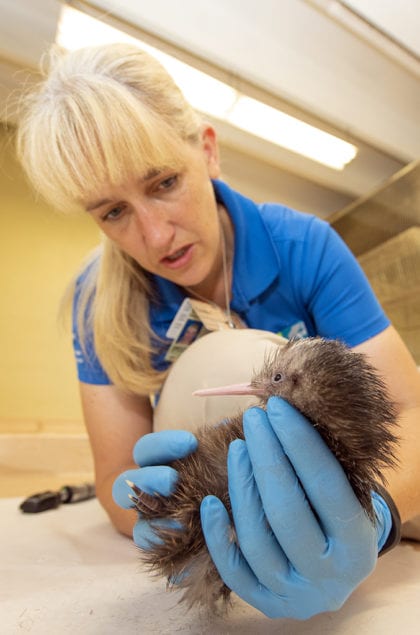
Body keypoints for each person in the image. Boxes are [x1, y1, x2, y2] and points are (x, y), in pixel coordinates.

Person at [17, 43, 420, 619]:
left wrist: (373, 515)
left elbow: (409, 410)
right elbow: (114, 480)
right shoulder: (94, 306)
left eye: (163, 183)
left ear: (206, 151)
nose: (156, 237)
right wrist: (173, 519)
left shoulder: (303, 247)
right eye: (113, 212)